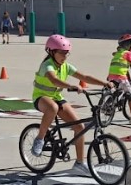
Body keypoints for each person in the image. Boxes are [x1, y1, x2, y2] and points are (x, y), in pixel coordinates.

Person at [30, 34, 115, 175]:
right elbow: (54, 80)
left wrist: (104, 83)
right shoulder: (47, 65)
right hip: (41, 97)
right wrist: (71, 86)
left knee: (79, 127)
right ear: (51, 52)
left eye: (66, 53)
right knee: (53, 107)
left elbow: (84, 77)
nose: (65, 56)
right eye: (61, 53)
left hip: (56, 97)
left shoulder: (66, 66)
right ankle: (40, 139)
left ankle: (79, 163)